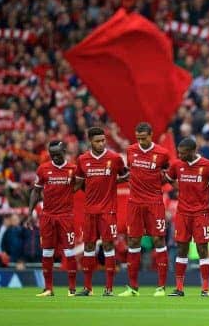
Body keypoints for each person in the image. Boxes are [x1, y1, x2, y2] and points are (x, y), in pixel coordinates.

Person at [119, 122, 171, 297]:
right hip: (134, 203)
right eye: (138, 138)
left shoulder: (162, 154)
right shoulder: (131, 150)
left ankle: (161, 287)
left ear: (151, 135)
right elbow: (129, 172)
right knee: (133, 242)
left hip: (154, 203)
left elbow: (169, 175)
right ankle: (132, 287)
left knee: (158, 241)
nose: (141, 142)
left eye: (144, 138)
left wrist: (156, 184)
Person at [74, 127, 128, 296]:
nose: (101, 143)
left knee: (108, 246)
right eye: (98, 141)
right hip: (90, 211)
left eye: (103, 140)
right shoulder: (82, 160)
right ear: (90, 141)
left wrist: (112, 182)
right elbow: (80, 183)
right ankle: (87, 288)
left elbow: (125, 175)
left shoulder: (114, 158)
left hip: (108, 211)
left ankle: (109, 289)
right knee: (89, 246)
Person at [164, 138, 209, 297]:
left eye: (182, 153)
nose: (179, 155)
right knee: (182, 248)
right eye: (178, 152)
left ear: (192, 151)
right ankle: (179, 288)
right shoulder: (176, 165)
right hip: (182, 213)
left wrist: (206, 190)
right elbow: (168, 179)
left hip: (201, 213)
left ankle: (205, 289)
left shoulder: (208, 166)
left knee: (203, 249)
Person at [27, 141, 78, 297]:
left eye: (58, 154)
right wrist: (29, 214)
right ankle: (48, 288)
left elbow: (82, 185)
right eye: (52, 155)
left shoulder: (73, 169)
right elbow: (36, 192)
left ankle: (72, 289)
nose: (55, 157)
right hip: (47, 216)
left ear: (64, 151)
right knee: (47, 253)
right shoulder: (43, 169)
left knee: (69, 252)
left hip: (65, 217)